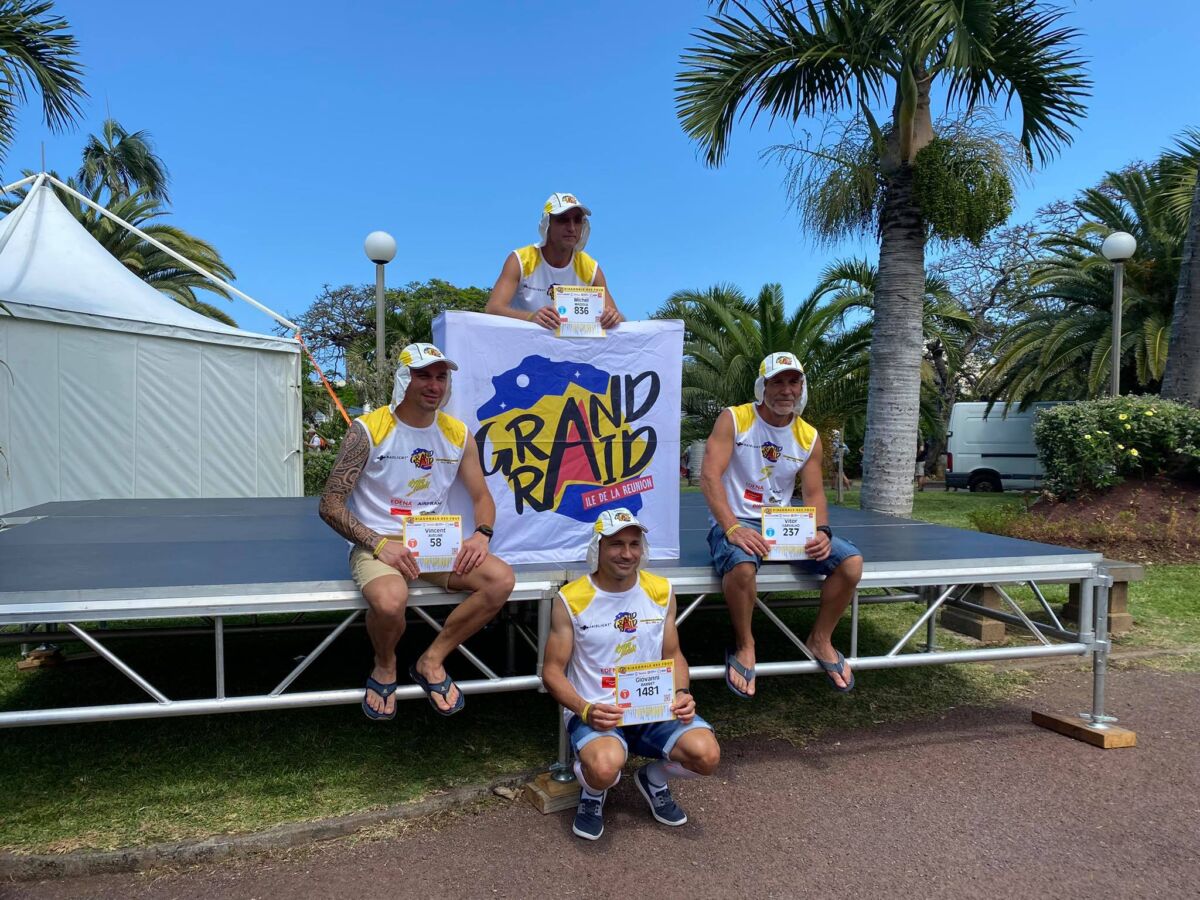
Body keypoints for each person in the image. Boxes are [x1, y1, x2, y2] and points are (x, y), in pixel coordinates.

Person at [319, 342, 516, 720]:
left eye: (441, 377)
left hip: (433, 540)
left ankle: (432, 660)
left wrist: (481, 534)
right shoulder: (368, 429)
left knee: (500, 580)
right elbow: (330, 504)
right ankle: (385, 664)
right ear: (403, 380)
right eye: (423, 376)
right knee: (390, 601)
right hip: (378, 543)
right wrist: (379, 545)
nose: (434, 385)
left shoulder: (458, 434)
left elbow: (482, 497)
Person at [542, 508, 721, 840]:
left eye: (634, 544)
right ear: (598, 548)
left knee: (707, 756)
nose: (627, 553)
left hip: (653, 708)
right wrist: (585, 709)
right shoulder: (572, 598)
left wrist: (681, 693)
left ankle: (654, 779)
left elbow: (673, 654)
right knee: (603, 768)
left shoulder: (661, 590)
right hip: (598, 711)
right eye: (616, 544)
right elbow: (551, 671)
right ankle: (593, 792)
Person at [700, 352, 864, 699]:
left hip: (783, 522)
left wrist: (822, 531)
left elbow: (814, 493)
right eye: (777, 382)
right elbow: (710, 476)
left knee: (850, 564)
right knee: (742, 567)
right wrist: (732, 528)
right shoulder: (735, 419)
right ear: (762, 386)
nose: (786, 390)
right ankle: (746, 644)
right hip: (737, 520)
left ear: (802, 388)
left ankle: (820, 639)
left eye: (793, 382)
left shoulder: (808, 436)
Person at [484, 192, 623, 330]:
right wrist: (531, 318)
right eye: (563, 220)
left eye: (577, 220)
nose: (572, 228)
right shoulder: (520, 260)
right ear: (547, 224)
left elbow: (621, 322)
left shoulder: (591, 269)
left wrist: (612, 317)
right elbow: (493, 309)